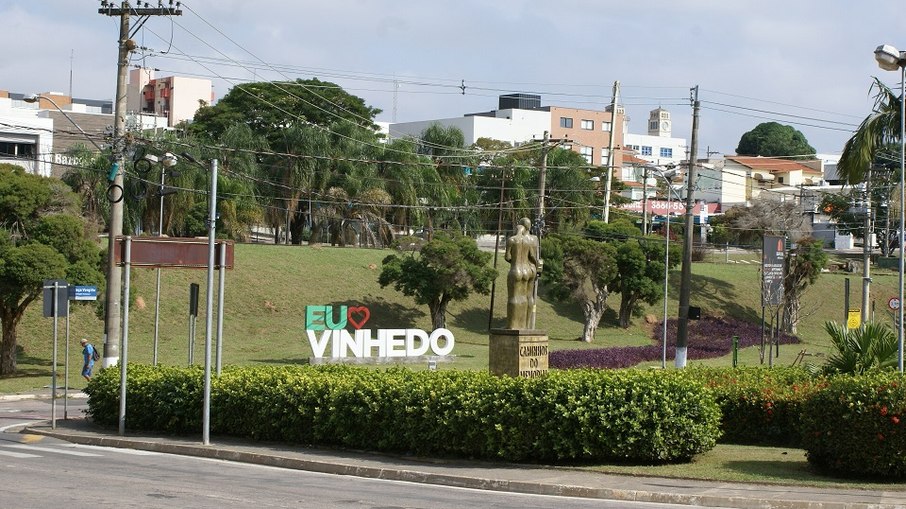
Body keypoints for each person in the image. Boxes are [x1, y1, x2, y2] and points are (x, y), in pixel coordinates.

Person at [504, 217, 541, 329]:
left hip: (516, 269)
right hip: (530, 270)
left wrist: (514, 261)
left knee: (514, 298)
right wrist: (537, 266)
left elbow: (507, 257)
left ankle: (512, 325)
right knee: (528, 297)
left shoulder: (512, 240)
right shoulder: (533, 239)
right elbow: (533, 256)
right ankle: (526, 325)